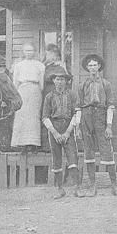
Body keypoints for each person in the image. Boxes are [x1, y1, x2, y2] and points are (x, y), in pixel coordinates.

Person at [72, 54, 117, 196]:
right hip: (86, 118)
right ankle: (92, 186)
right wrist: (78, 127)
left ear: (99, 66)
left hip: (101, 117)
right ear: (87, 68)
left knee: (107, 150)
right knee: (88, 151)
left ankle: (114, 186)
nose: (93, 67)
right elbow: (78, 107)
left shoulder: (106, 84)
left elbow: (110, 105)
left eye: (95, 65)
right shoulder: (82, 86)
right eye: (90, 65)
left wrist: (109, 126)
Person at [41, 67, 79, 198]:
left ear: (66, 81)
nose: (60, 82)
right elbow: (45, 117)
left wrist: (68, 132)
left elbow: (76, 114)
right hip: (54, 127)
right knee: (56, 158)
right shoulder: (49, 97)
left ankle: (76, 188)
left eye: (62, 79)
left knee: (72, 157)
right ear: (53, 81)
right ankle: (60, 189)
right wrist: (55, 133)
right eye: (57, 79)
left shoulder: (72, 95)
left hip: (68, 126)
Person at [11, 43, 45, 152]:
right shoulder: (19, 65)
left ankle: (34, 144)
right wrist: (15, 96)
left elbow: (42, 84)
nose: (29, 53)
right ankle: (22, 144)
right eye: (27, 51)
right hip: (22, 91)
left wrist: (38, 91)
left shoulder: (39, 65)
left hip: (35, 91)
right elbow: (15, 83)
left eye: (31, 50)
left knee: (34, 117)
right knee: (22, 117)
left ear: (34, 52)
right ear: (23, 52)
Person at [40, 44, 68, 153]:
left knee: (55, 119)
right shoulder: (45, 66)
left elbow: (61, 78)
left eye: (50, 54)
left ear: (55, 55)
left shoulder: (59, 67)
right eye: (47, 54)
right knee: (45, 118)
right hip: (45, 95)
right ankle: (45, 145)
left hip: (56, 96)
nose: (48, 56)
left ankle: (55, 145)